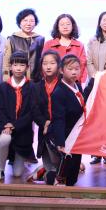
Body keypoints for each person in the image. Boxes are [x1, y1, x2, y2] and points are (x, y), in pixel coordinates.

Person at [0, 51, 38, 182]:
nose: (18, 68)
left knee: (17, 173)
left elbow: (31, 113)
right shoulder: (2, 87)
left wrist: (14, 125)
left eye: (22, 65)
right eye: (15, 65)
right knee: (5, 139)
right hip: (5, 128)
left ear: (27, 67)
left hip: (23, 131)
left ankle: (24, 161)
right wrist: (6, 125)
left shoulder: (32, 87)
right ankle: (0, 169)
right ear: (10, 67)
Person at [46, 54, 89, 186]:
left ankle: (47, 172)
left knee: (72, 179)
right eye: (70, 69)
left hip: (76, 135)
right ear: (61, 70)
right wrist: (60, 142)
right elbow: (58, 119)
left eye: (77, 69)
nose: (74, 72)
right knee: (63, 179)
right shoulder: (59, 92)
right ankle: (47, 175)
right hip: (65, 135)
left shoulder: (77, 86)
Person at [32, 50, 64, 182]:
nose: (48, 67)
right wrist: (44, 122)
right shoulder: (36, 87)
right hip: (44, 128)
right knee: (52, 173)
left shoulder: (65, 84)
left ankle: (48, 170)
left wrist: (54, 123)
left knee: (62, 169)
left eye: (52, 63)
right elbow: (34, 110)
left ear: (59, 65)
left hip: (61, 128)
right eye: (45, 63)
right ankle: (46, 169)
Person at [2, 8, 45, 82]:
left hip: (36, 80)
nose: (28, 24)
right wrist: (6, 79)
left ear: (35, 23)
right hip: (17, 80)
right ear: (20, 22)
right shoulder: (12, 39)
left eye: (31, 21)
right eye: (25, 20)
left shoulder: (40, 39)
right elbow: (6, 62)